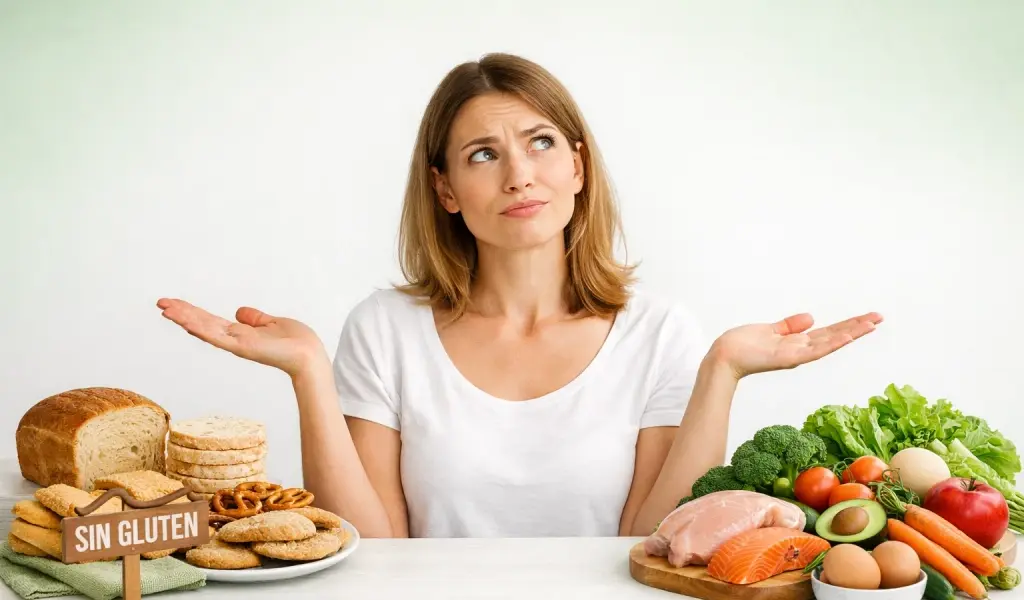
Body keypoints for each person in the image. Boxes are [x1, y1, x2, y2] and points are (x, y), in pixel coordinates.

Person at [156, 52, 882, 539]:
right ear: (445, 189)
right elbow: (373, 552)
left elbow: (650, 546)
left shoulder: (660, 332)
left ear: (578, 167)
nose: (518, 176)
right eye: (483, 155)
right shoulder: (385, 329)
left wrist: (721, 371)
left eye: (540, 143)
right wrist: (309, 372)